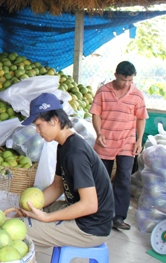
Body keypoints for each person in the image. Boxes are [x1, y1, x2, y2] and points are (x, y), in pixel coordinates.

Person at [20, 93, 114, 248]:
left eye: (38, 125)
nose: (37, 131)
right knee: (28, 216)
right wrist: (32, 206)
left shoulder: (75, 153)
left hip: (90, 227)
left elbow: (90, 205)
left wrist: (47, 218)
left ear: (55, 120)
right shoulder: (63, 146)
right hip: (83, 215)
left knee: (18, 230)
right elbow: (57, 187)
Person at [89, 61, 148, 230]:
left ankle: (118, 217)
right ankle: (98, 213)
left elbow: (141, 118)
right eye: (124, 80)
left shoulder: (137, 95)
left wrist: (139, 140)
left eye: (130, 80)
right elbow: (96, 114)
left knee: (123, 178)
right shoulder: (103, 92)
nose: (127, 84)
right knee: (101, 178)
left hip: (127, 143)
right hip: (105, 141)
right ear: (115, 75)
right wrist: (99, 132)